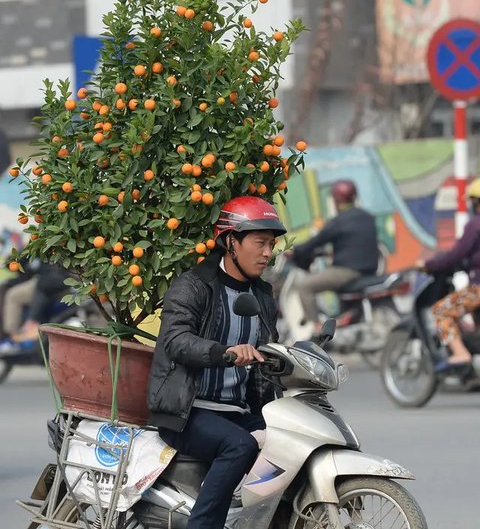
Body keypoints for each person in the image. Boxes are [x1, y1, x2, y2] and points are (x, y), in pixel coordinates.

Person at [147, 196, 286, 529]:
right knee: (238, 446)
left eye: (271, 245)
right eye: (260, 243)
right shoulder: (193, 286)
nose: (268, 253)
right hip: (186, 411)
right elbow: (176, 341)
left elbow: (270, 349)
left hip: (237, 411)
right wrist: (224, 352)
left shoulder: (263, 295)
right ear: (231, 242)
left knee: (290, 443)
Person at [291, 179, 378, 335]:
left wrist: (295, 250)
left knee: (305, 286)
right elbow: (355, 243)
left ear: (336, 200)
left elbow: (316, 241)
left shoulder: (339, 221)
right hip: (369, 270)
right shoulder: (367, 217)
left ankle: (317, 329)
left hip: (347, 271)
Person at [418, 178, 480, 370]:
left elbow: (455, 255)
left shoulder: (475, 225)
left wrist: (429, 264)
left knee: (441, 310)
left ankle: (460, 353)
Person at [0, 262, 70, 354]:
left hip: (49, 278)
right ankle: (14, 334)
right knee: (5, 287)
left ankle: (14, 336)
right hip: (43, 276)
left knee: (13, 295)